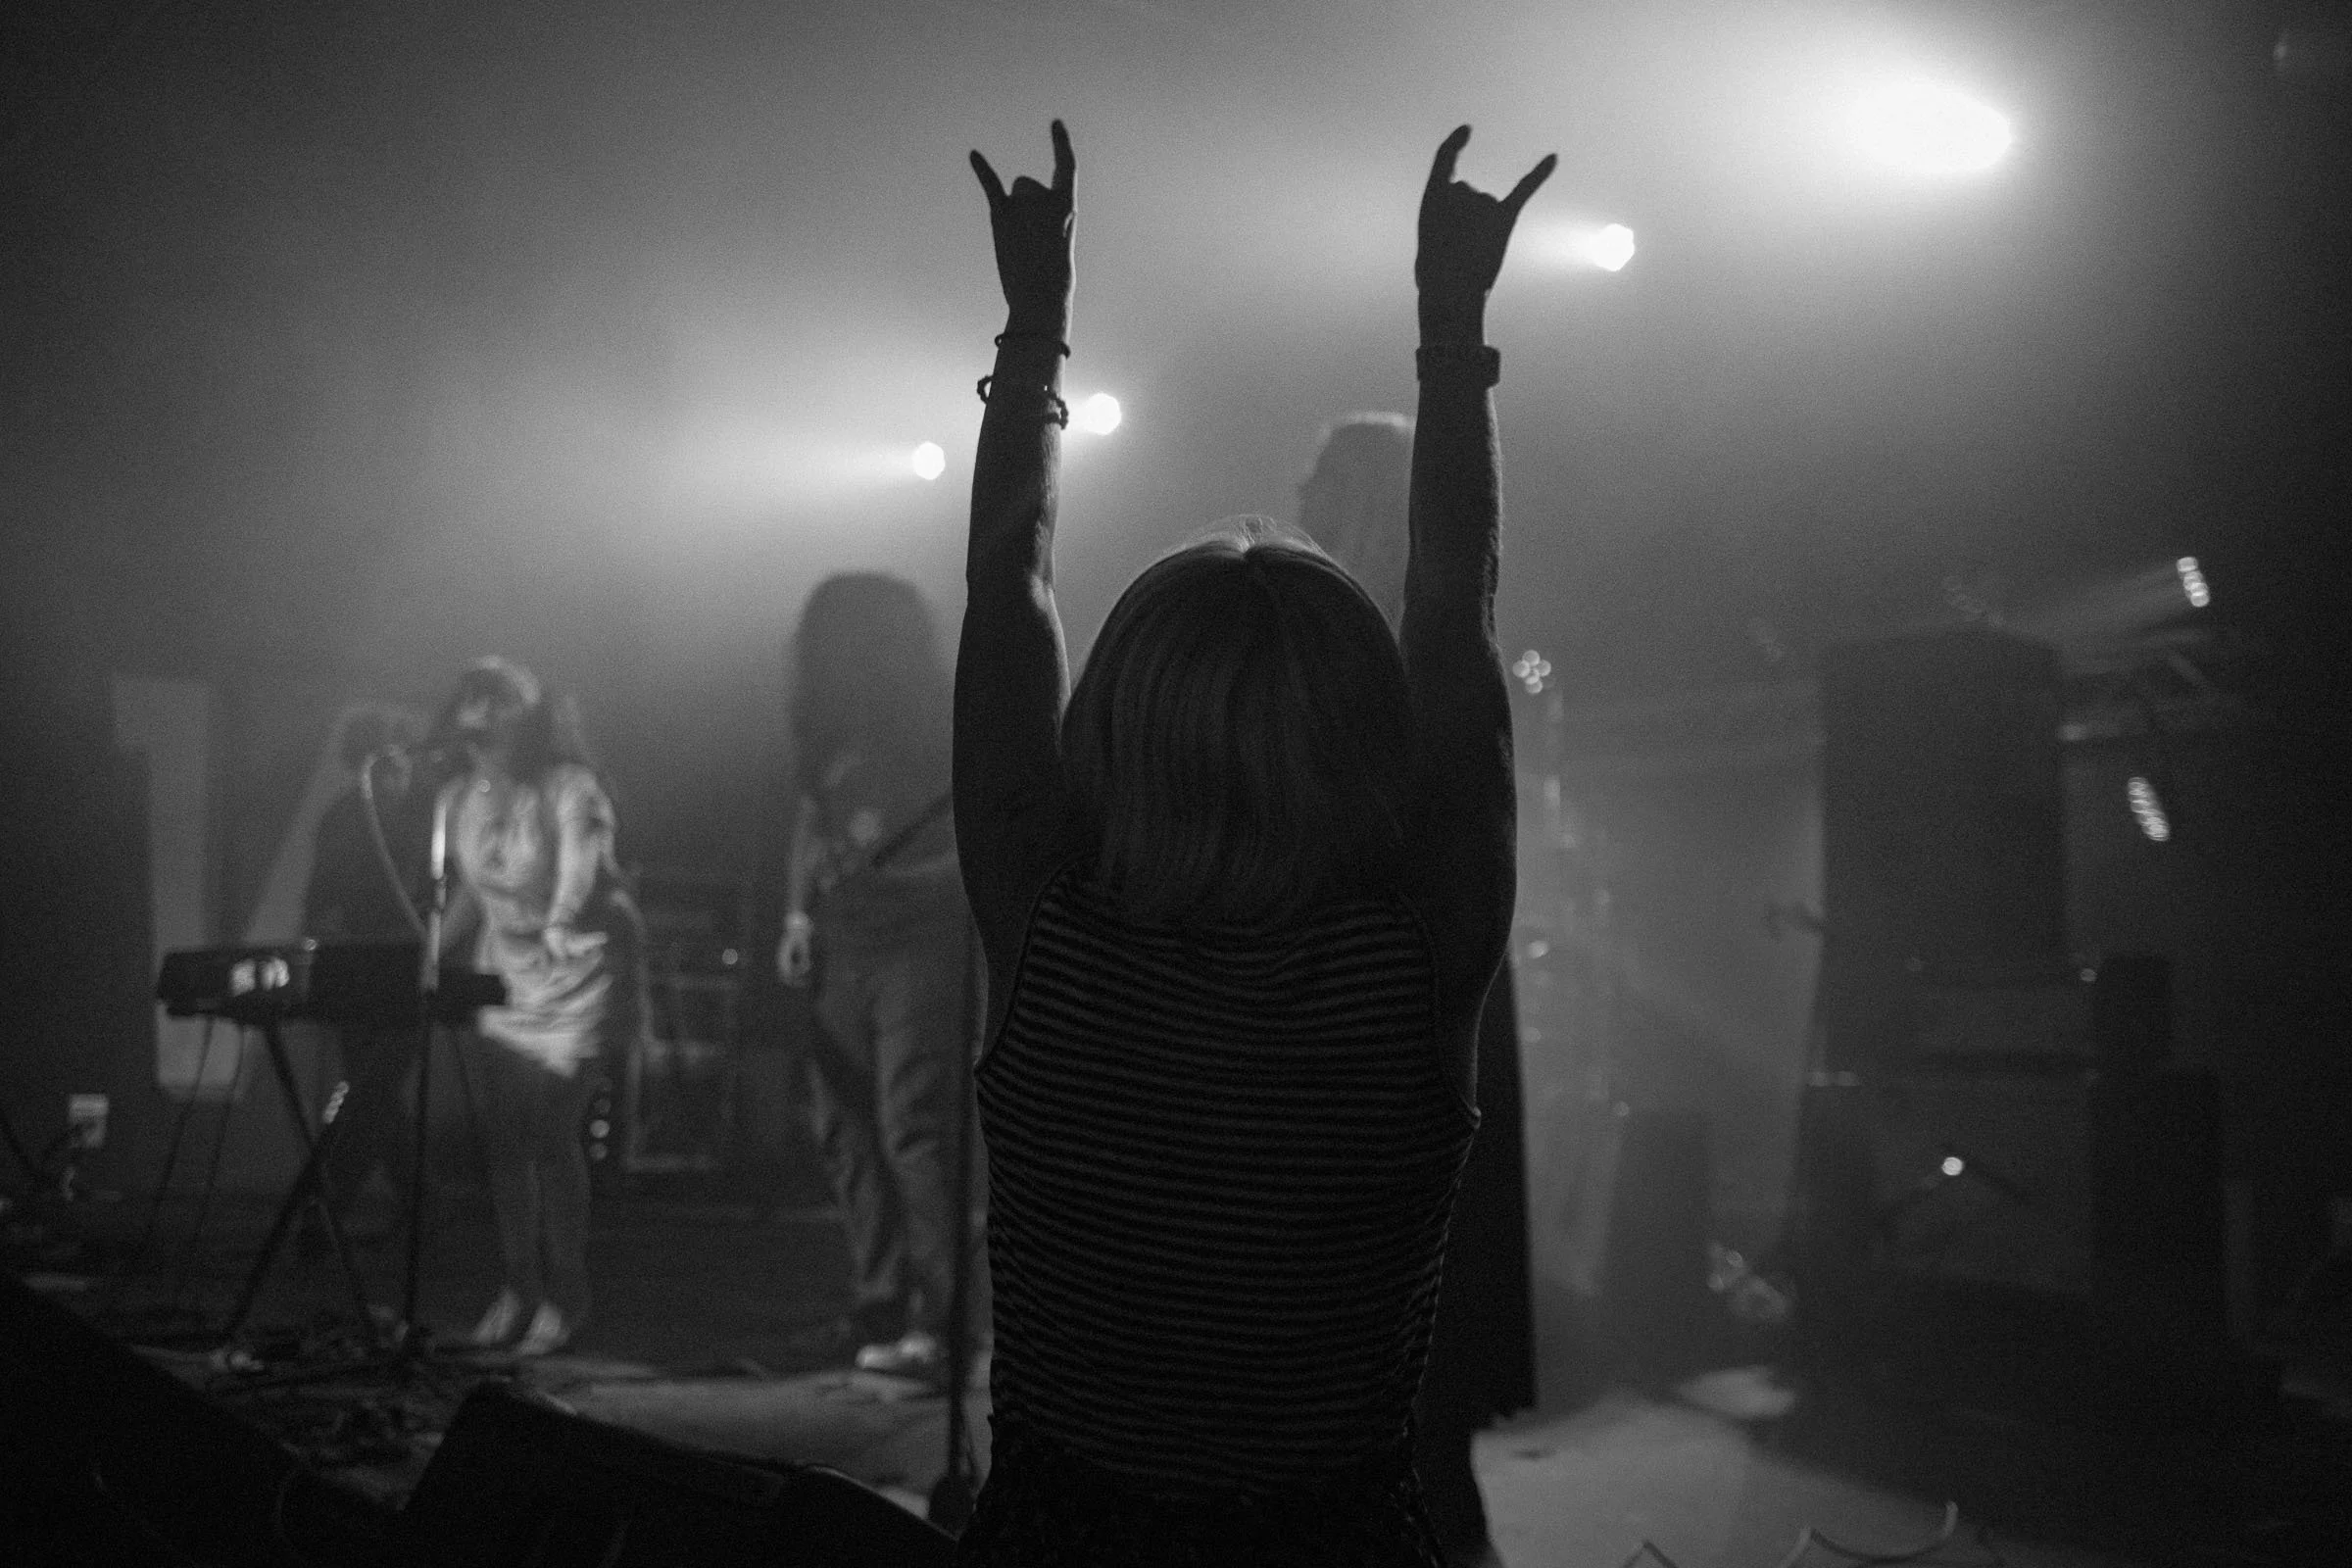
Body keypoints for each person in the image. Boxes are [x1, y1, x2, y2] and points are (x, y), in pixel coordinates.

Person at [952, 121, 1550, 1566]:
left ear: (1116, 720)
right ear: (1364, 733)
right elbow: (1455, 626)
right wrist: (1452, 337)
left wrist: (1033, 336)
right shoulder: (1415, 967)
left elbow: (1004, 595)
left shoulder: (1046, 935)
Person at [1299, 414, 1539, 1567]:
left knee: (1402, 1369)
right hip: (1408, 992)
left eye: (1324, 484)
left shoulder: (1384, 647)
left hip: (1395, 998)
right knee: (1398, 1396)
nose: (1299, 496)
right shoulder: (1364, 639)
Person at [775, 573, 972, 1380]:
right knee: (844, 1128)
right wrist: (796, 916)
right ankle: (881, 1305)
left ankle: (948, 1323)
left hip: (921, 942)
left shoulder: (941, 724)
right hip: (844, 942)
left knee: (914, 1129)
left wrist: (906, 885)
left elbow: (981, 840)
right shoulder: (833, 732)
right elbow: (812, 823)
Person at [430, 657, 646, 1358]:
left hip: (578, 970)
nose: (481, 708)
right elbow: (471, 886)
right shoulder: (457, 796)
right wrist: (434, 952)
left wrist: (558, 922)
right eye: (472, 695)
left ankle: (566, 1291)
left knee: (551, 1130)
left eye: (497, 698)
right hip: (508, 978)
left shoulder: (568, 787)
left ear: (525, 715)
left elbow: (583, 869)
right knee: (503, 1138)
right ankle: (517, 1284)